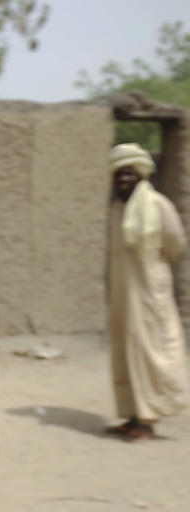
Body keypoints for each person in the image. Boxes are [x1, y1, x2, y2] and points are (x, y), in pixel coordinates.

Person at [105, 143, 190, 441]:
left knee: (151, 349)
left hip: (149, 291)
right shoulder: (118, 208)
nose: (123, 179)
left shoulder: (157, 204)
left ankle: (148, 418)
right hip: (123, 291)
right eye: (119, 173)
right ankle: (132, 415)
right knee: (124, 349)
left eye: (129, 173)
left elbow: (175, 243)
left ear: (140, 174)